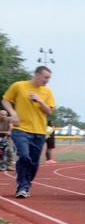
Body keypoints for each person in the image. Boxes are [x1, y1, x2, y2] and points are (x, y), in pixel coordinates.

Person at [3, 66, 55, 198]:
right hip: (21, 129)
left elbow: (49, 111)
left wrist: (40, 100)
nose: (47, 80)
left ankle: (26, 182)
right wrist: (13, 113)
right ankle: (22, 186)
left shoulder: (47, 92)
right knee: (24, 156)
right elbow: (6, 100)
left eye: (49, 78)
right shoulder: (19, 86)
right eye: (46, 77)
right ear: (37, 75)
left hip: (39, 132)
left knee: (34, 163)